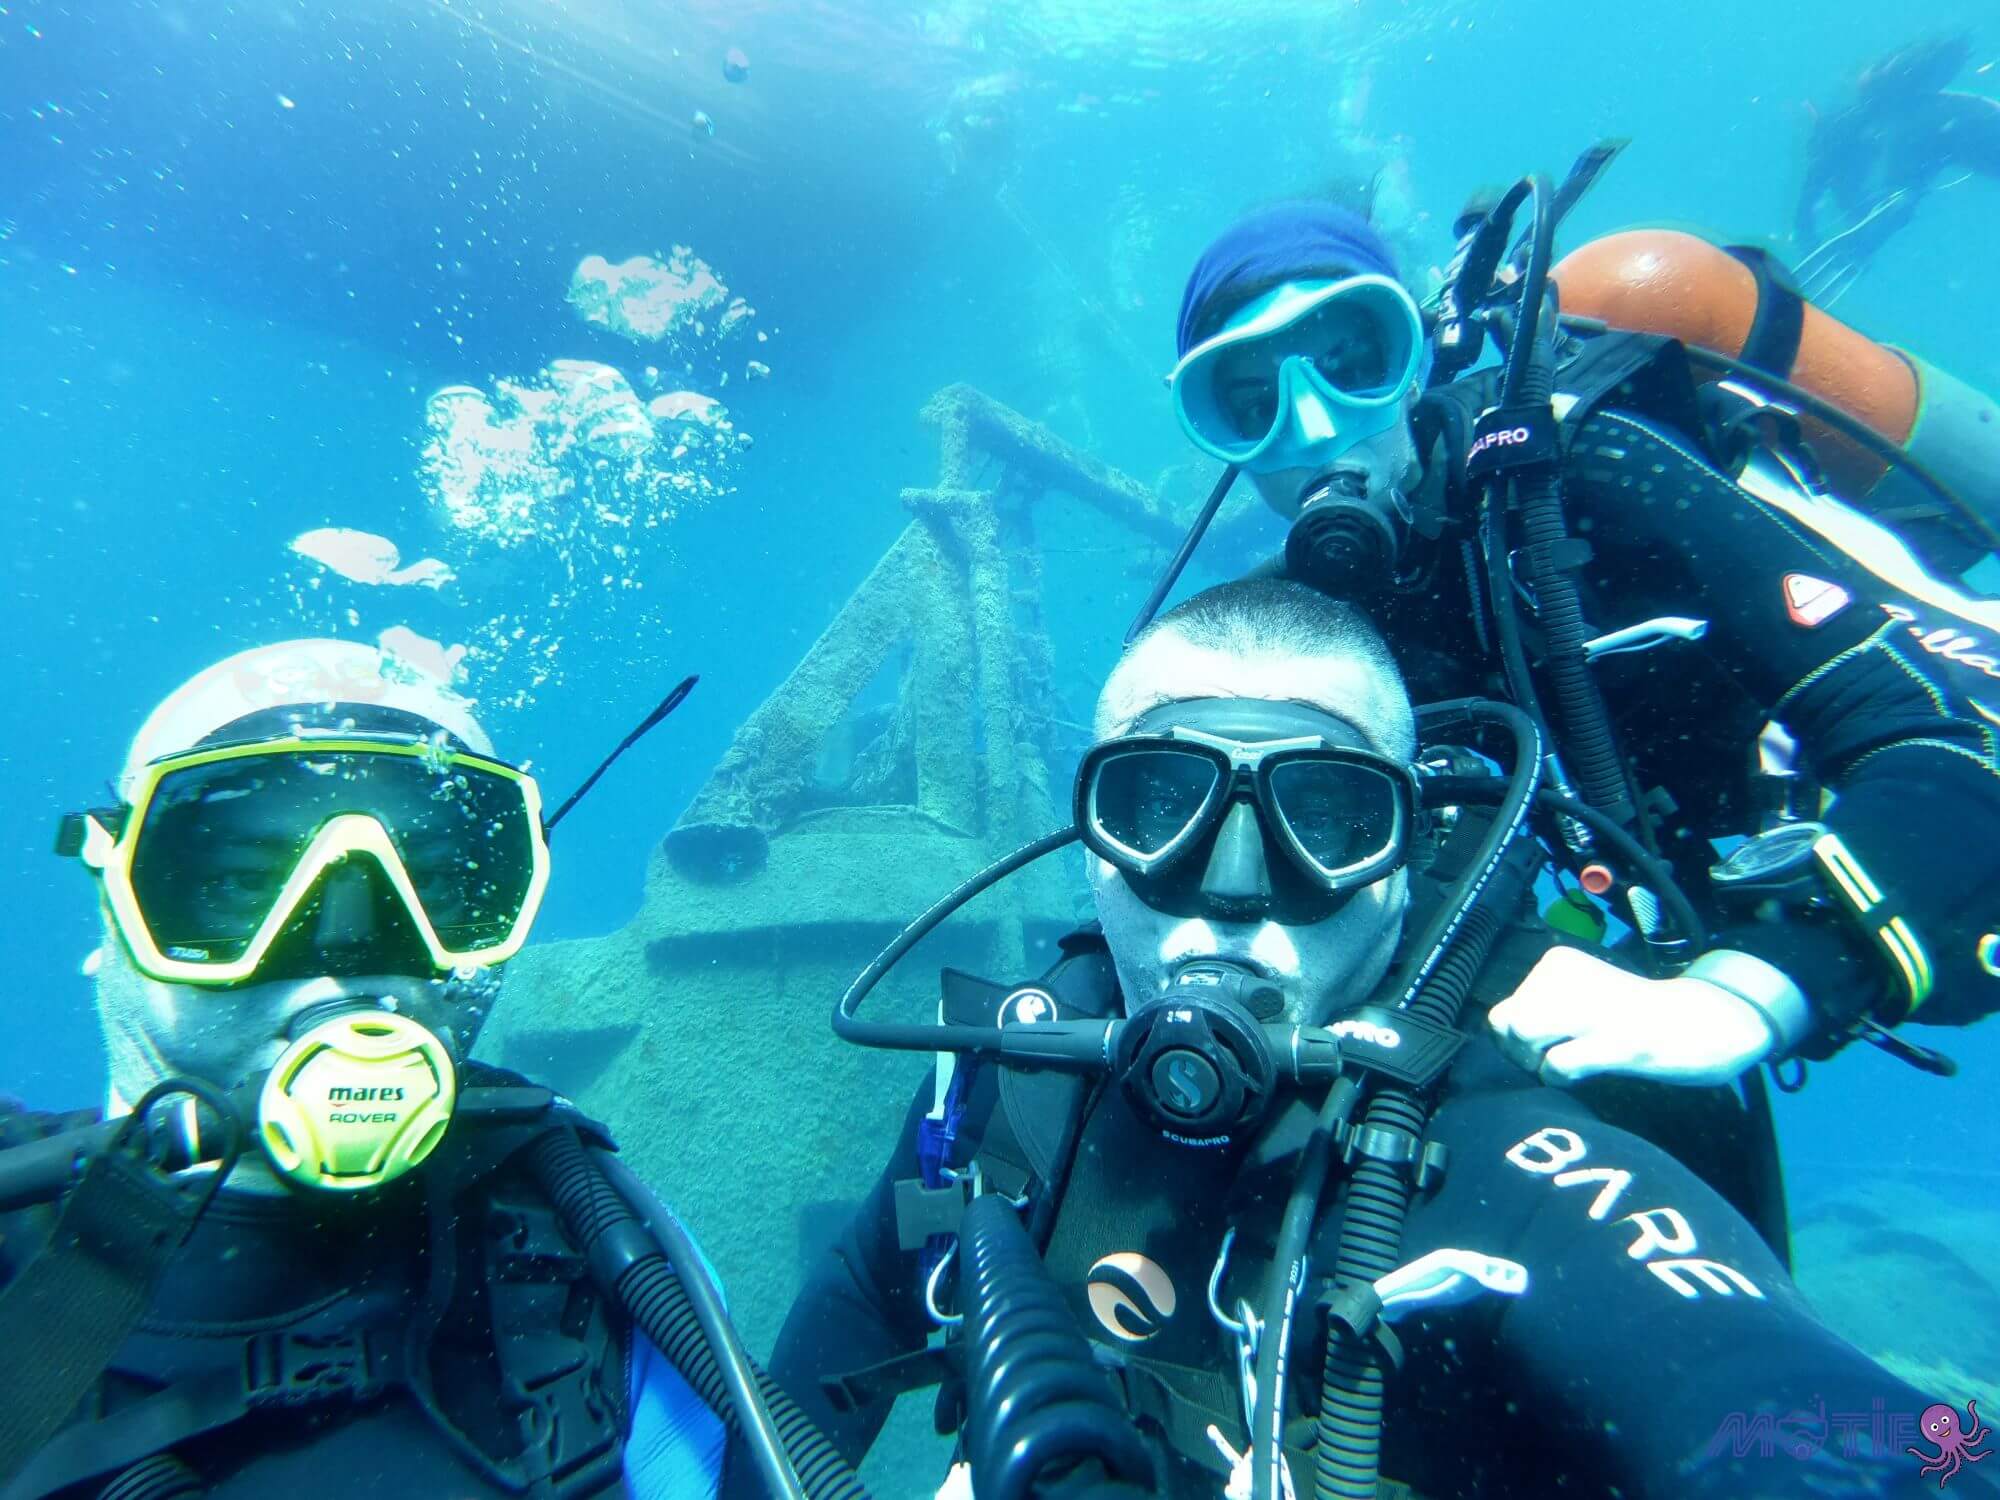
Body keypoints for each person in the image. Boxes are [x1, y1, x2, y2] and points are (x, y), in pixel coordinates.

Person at [766, 578, 1982, 1500]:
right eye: (1160, 805)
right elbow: (856, 1304)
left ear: (1401, 862)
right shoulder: (1008, 1081)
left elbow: (1828, 1424)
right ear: (1093, 847)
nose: (1230, 889)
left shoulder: (1504, 1164)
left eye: (1325, 817)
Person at [1161, 198, 2000, 1095]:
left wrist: (1747, 996)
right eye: (1251, 406)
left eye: (1352, 364)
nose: (1315, 425)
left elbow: (1953, 743)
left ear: (1412, 362)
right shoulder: (1300, 626)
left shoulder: (1592, 469)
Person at [0, 640, 836, 1500]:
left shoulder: (599, 1241)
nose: (351, 948)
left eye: (434, 880)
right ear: (111, 898)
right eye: (243, 882)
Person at [1794, 33, 2000, 304]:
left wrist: (1845, 242)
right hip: (1945, 128)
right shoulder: (1928, 112)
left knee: (1896, 194)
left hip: (1937, 130)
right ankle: (1861, 239)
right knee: (1897, 191)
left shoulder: (1912, 117)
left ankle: (1860, 241)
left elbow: (1827, 200)